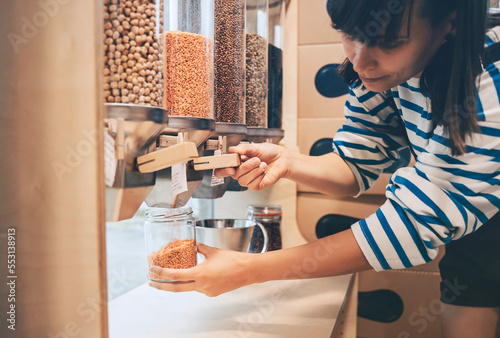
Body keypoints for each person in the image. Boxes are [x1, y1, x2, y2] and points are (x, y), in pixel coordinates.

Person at [149, 0, 500, 336]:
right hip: (470, 224)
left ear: (450, 21)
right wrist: (290, 162)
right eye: (350, 35)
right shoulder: (382, 65)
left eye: (389, 43)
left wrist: (247, 270)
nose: (361, 62)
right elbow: (356, 162)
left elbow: (412, 225)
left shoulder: (489, 83)